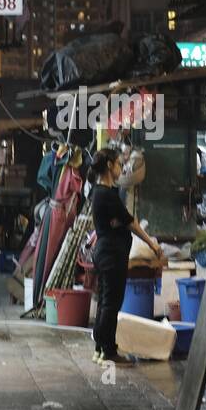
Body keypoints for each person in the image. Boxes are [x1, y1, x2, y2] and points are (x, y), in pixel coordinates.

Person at [88, 147, 161, 366]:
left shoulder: (101, 193)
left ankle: (100, 349)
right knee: (111, 303)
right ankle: (108, 351)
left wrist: (119, 222)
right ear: (110, 166)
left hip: (107, 252)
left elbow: (121, 221)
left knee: (105, 301)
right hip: (111, 254)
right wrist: (151, 244)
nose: (122, 168)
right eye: (119, 164)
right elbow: (130, 222)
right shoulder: (107, 194)